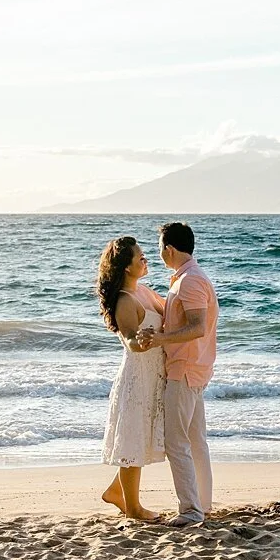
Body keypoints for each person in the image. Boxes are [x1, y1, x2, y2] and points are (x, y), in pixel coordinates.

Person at [137, 221, 219, 528]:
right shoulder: (185, 279)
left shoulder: (190, 281)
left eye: (159, 247)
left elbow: (196, 327)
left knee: (177, 443)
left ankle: (190, 511)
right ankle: (203, 505)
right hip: (193, 368)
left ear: (169, 249)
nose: (159, 253)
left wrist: (159, 339)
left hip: (184, 370)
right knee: (195, 440)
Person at [94, 236, 168, 521]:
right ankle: (133, 508)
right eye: (140, 257)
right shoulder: (126, 300)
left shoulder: (145, 291)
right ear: (126, 267)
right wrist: (141, 342)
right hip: (137, 378)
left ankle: (116, 491)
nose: (145, 260)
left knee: (140, 440)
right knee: (132, 441)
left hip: (153, 375)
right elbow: (129, 340)